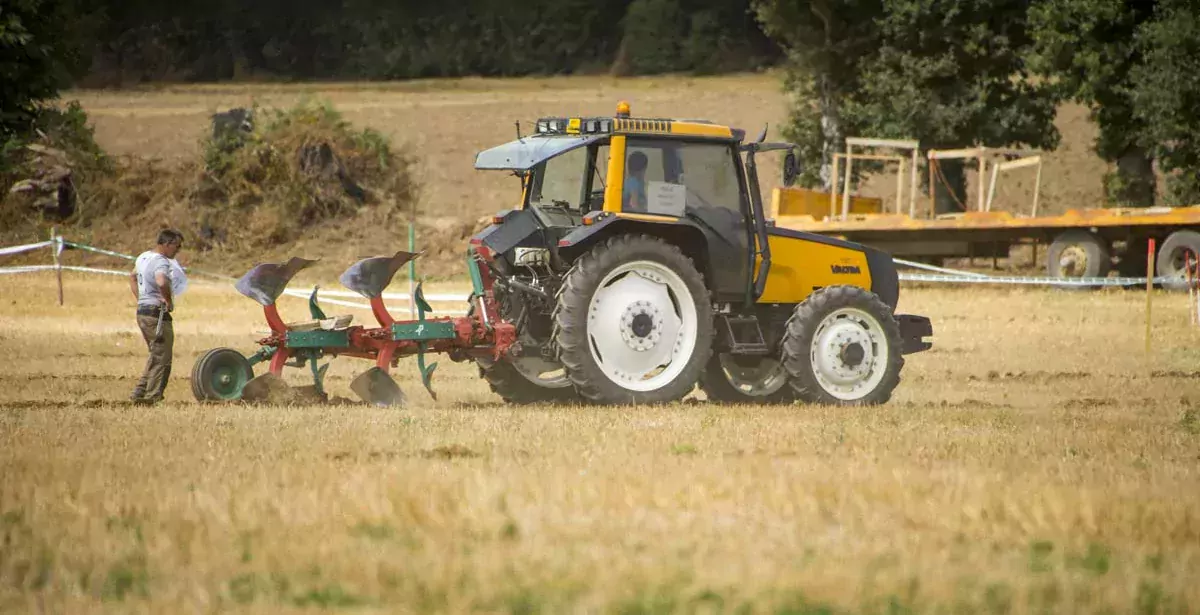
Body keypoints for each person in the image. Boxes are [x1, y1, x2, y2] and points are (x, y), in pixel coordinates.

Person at [128, 229, 184, 405]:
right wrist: (168, 301)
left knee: (156, 354)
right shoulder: (161, 261)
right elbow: (161, 281)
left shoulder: (143, 257)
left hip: (143, 312)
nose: (178, 251)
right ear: (167, 244)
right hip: (157, 314)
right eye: (177, 246)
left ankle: (139, 393)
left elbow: (132, 277)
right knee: (162, 358)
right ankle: (152, 397)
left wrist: (142, 300)